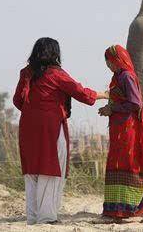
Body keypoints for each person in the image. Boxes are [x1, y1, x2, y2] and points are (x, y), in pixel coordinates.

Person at [13, 37, 109, 225]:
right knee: (50, 168)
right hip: (50, 126)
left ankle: (33, 217)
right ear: (55, 53)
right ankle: (47, 217)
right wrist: (103, 94)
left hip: (27, 126)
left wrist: (34, 110)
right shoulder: (56, 74)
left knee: (32, 171)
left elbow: (18, 100)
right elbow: (81, 93)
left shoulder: (26, 73)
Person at [98, 45, 143, 222]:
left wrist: (112, 109)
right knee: (121, 165)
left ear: (117, 60)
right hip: (120, 129)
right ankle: (136, 208)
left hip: (128, 129)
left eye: (109, 61)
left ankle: (127, 210)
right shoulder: (118, 77)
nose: (107, 65)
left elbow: (135, 103)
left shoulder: (126, 76)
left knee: (130, 165)